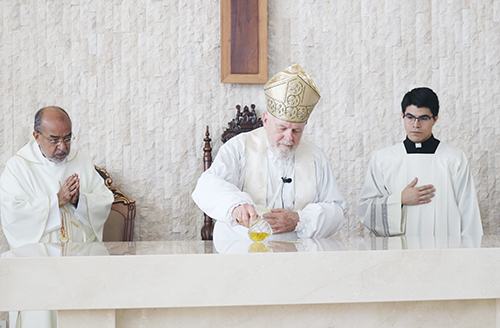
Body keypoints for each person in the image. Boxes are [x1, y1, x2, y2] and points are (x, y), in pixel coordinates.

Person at [192, 64, 346, 241]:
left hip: (299, 257)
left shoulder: (316, 157)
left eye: (296, 131)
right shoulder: (239, 147)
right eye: (282, 128)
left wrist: (300, 220)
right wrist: (235, 205)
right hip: (242, 254)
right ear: (265, 120)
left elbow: (337, 210)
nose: (289, 138)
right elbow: (207, 185)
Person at [0, 106, 114, 327]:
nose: (63, 147)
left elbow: (104, 200)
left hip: (80, 263)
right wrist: (56, 202)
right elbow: (13, 213)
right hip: (39, 266)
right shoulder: (18, 168)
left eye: (68, 138)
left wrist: (79, 200)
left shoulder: (81, 162)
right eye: (54, 140)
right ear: (36, 136)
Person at [358, 87, 483, 237]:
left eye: (423, 118)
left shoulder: (454, 159)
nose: (415, 125)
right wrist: (400, 199)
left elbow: (469, 214)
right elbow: (366, 210)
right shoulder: (384, 159)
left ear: (435, 119)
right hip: (398, 254)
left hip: (446, 252)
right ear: (402, 116)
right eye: (410, 117)